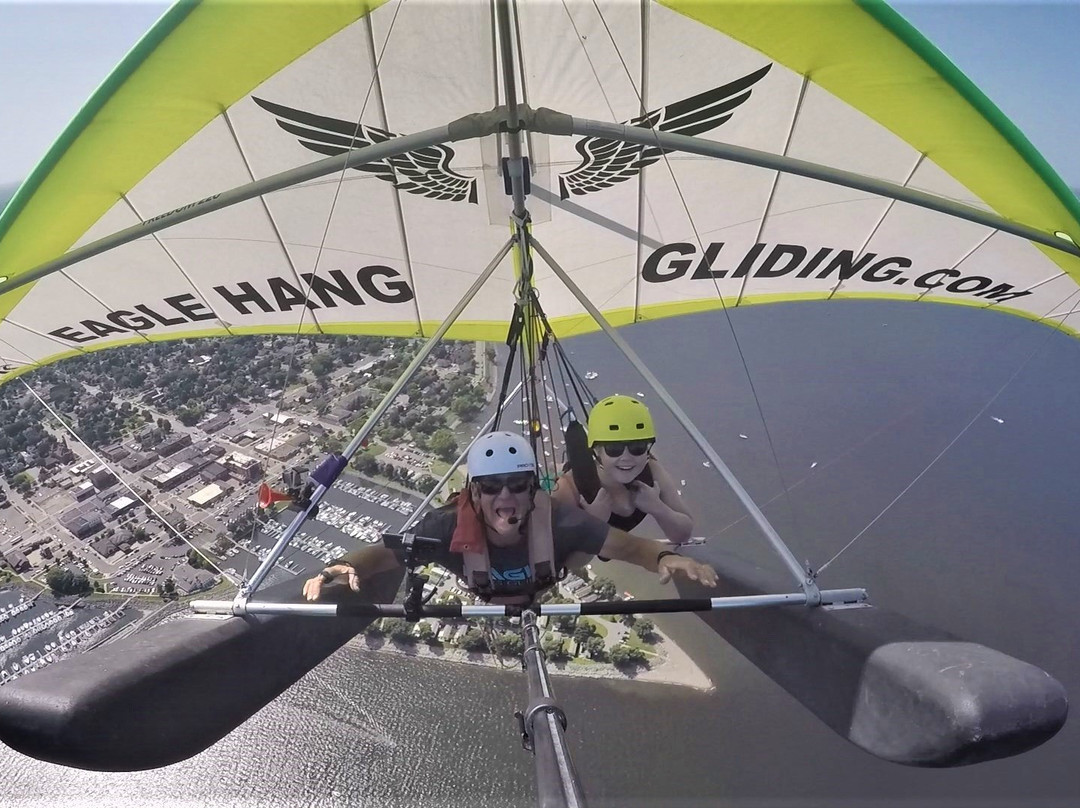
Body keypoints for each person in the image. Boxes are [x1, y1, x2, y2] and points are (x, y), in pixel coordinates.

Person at [303, 430, 716, 604]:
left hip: (544, 582)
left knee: (583, 537)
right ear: (474, 493)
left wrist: (665, 558)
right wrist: (341, 566)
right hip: (485, 591)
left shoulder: (558, 520)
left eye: (518, 485)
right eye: (492, 486)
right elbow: (387, 555)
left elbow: (628, 547)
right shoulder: (446, 525)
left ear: (532, 490)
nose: (506, 497)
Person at [552, 395, 694, 545]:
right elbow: (558, 556)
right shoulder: (569, 488)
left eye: (637, 447)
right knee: (561, 471)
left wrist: (659, 508)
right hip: (580, 478)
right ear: (596, 451)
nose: (626, 457)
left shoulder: (651, 471)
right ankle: (557, 467)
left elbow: (683, 535)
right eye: (614, 449)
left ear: (647, 449)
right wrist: (592, 523)